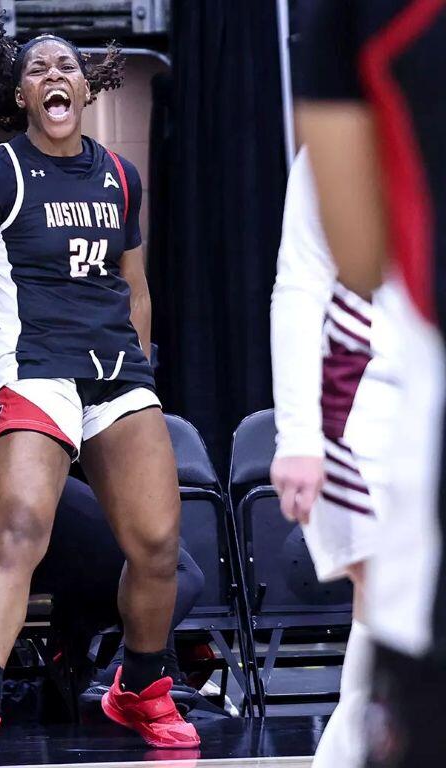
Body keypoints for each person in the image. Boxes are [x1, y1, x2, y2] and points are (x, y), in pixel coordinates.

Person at [0, 4, 198, 764]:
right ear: (20, 94)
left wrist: (138, 366)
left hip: (114, 374)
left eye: (66, 66)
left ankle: (139, 686)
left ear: (86, 88)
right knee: (17, 531)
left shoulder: (119, 175)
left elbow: (135, 285)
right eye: (38, 67)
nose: (54, 75)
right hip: (36, 370)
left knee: (158, 544)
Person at [0, 251, 206, 698]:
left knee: (92, 572)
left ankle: (74, 673)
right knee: (173, 568)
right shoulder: (34, 333)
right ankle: (125, 674)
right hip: (25, 503)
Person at [294, 2, 446, 765]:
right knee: (380, 619)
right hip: (379, 404)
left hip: (413, 392)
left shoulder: (349, 21)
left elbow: (356, 253)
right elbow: (317, 274)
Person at [269, 147, 398, 768]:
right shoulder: (339, 143)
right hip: (368, 415)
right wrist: (297, 437)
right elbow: (299, 285)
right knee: (395, 625)